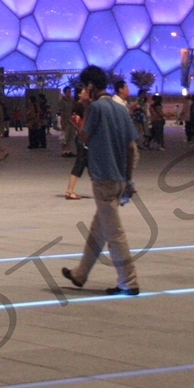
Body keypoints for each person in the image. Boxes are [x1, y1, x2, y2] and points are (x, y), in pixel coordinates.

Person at [61, 67, 140, 294]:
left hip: (102, 177)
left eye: (85, 87)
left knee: (114, 232)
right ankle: (80, 273)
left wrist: (84, 106)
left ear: (90, 87)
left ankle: (129, 281)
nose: (83, 91)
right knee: (99, 229)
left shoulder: (95, 107)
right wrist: (129, 180)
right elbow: (131, 147)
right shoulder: (120, 108)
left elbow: (83, 136)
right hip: (119, 178)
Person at [64, 91, 89, 198]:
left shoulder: (82, 105)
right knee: (81, 162)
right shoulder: (82, 106)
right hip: (83, 139)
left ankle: (106, 190)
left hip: (84, 138)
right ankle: (69, 191)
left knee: (91, 164)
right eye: (84, 91)